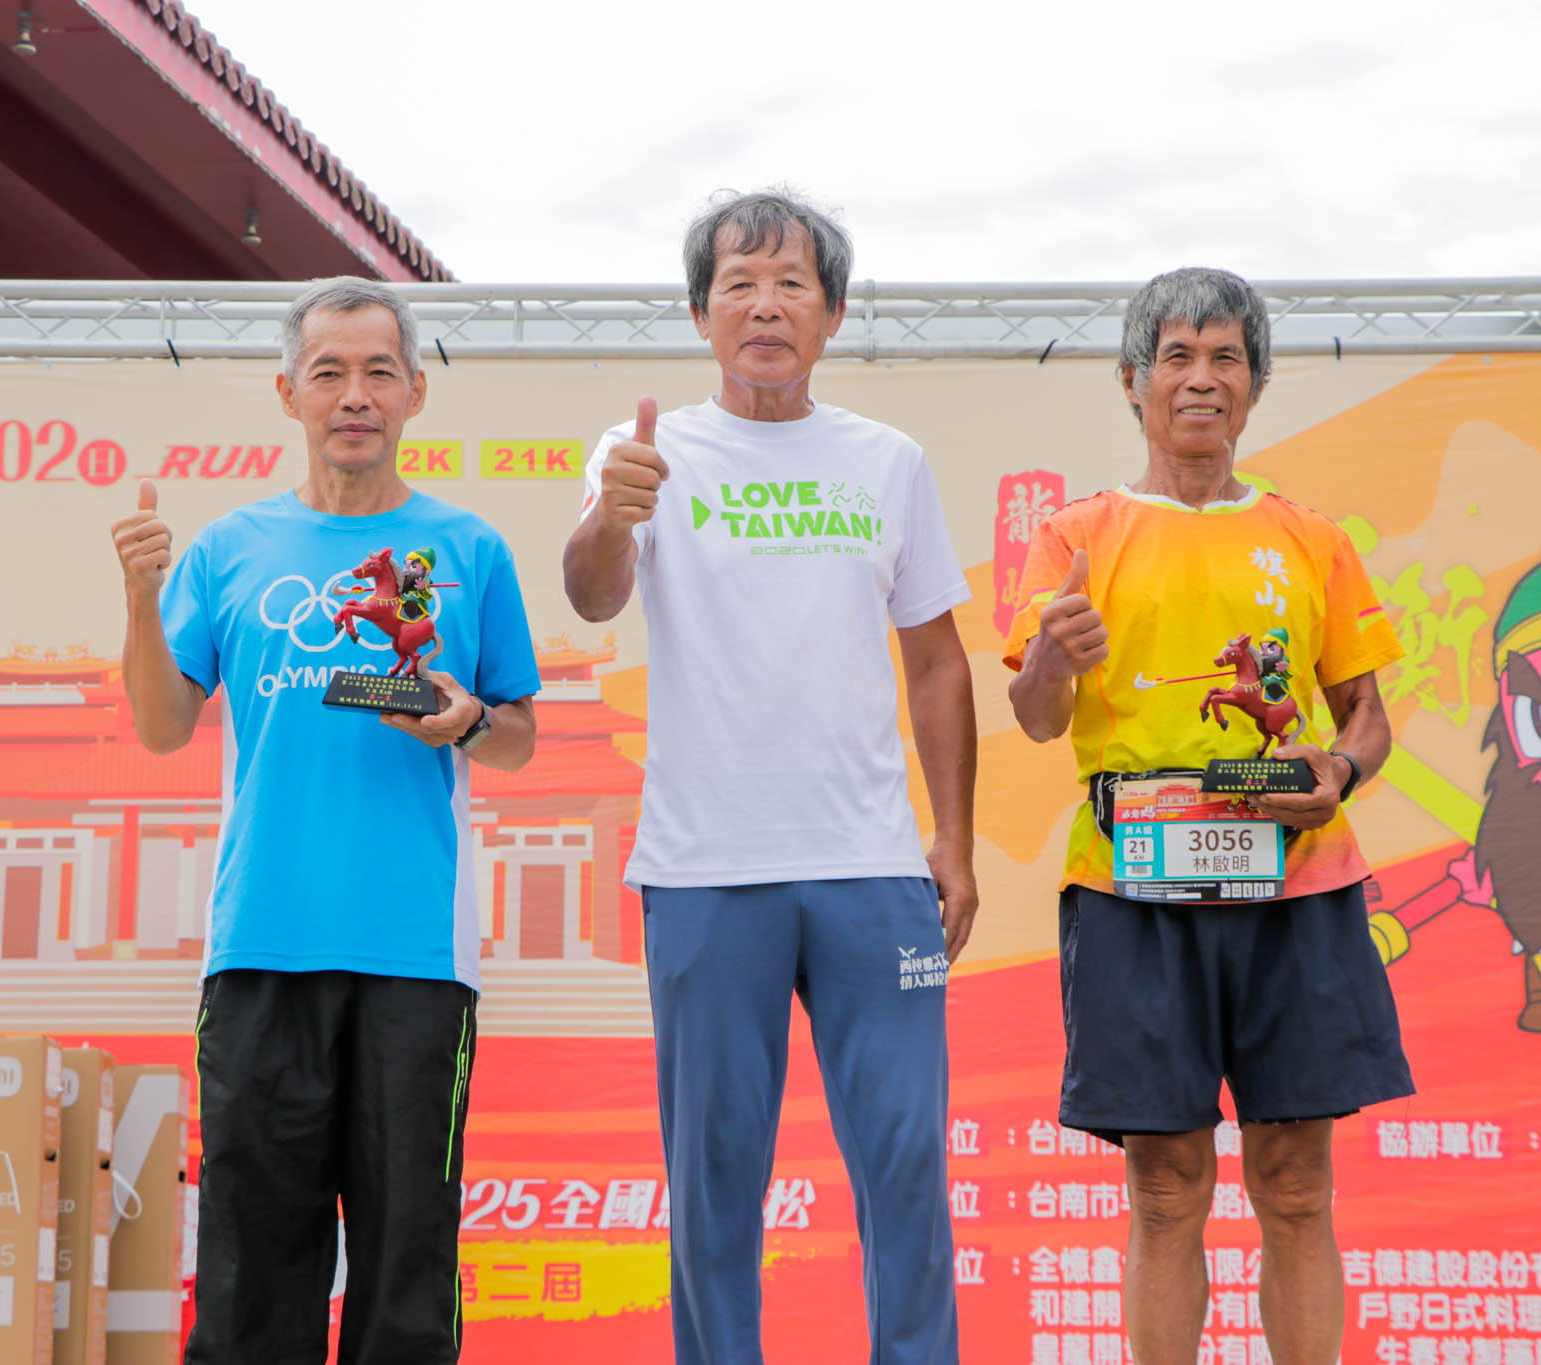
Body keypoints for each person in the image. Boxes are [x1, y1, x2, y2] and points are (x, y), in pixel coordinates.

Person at [562, 188, 977, 1365]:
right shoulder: (644, 450)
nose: (763, 305)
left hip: (870, 871)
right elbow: (592, 594)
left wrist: (951, 841)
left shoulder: (886, 462)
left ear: (831, 313)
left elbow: (936, 663)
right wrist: (610, 518)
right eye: (737, 284)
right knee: (713, 1178)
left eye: (790, 283)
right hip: (706, 872)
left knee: (906, 1164)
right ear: (700, 314)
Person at [109, 276, 540, 1364]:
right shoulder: (229, 548)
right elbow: (162, 726)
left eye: (379, 372)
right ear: (288, 393)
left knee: (407, 1258)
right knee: (253, 1255)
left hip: (416, 953)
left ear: (415, 393)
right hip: (262, 942)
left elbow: (519, 736)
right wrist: (140, 599)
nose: (355, 395)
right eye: (329, 372)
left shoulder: (467, 550)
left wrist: (467, 721)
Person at [1003, 267, 1413, 1365]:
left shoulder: (1309, 538)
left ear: (1255, 385)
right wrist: (1052, 657)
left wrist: (1340, 769)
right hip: (1130, 886)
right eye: (1176, 356)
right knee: (1164, 1186)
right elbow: (1036, 717)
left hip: (1297, 883)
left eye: (1225, 357)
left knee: (1296, 1182)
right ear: (1131, 380)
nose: (1200, 378)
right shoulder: (1076, 534)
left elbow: (1366, 716)